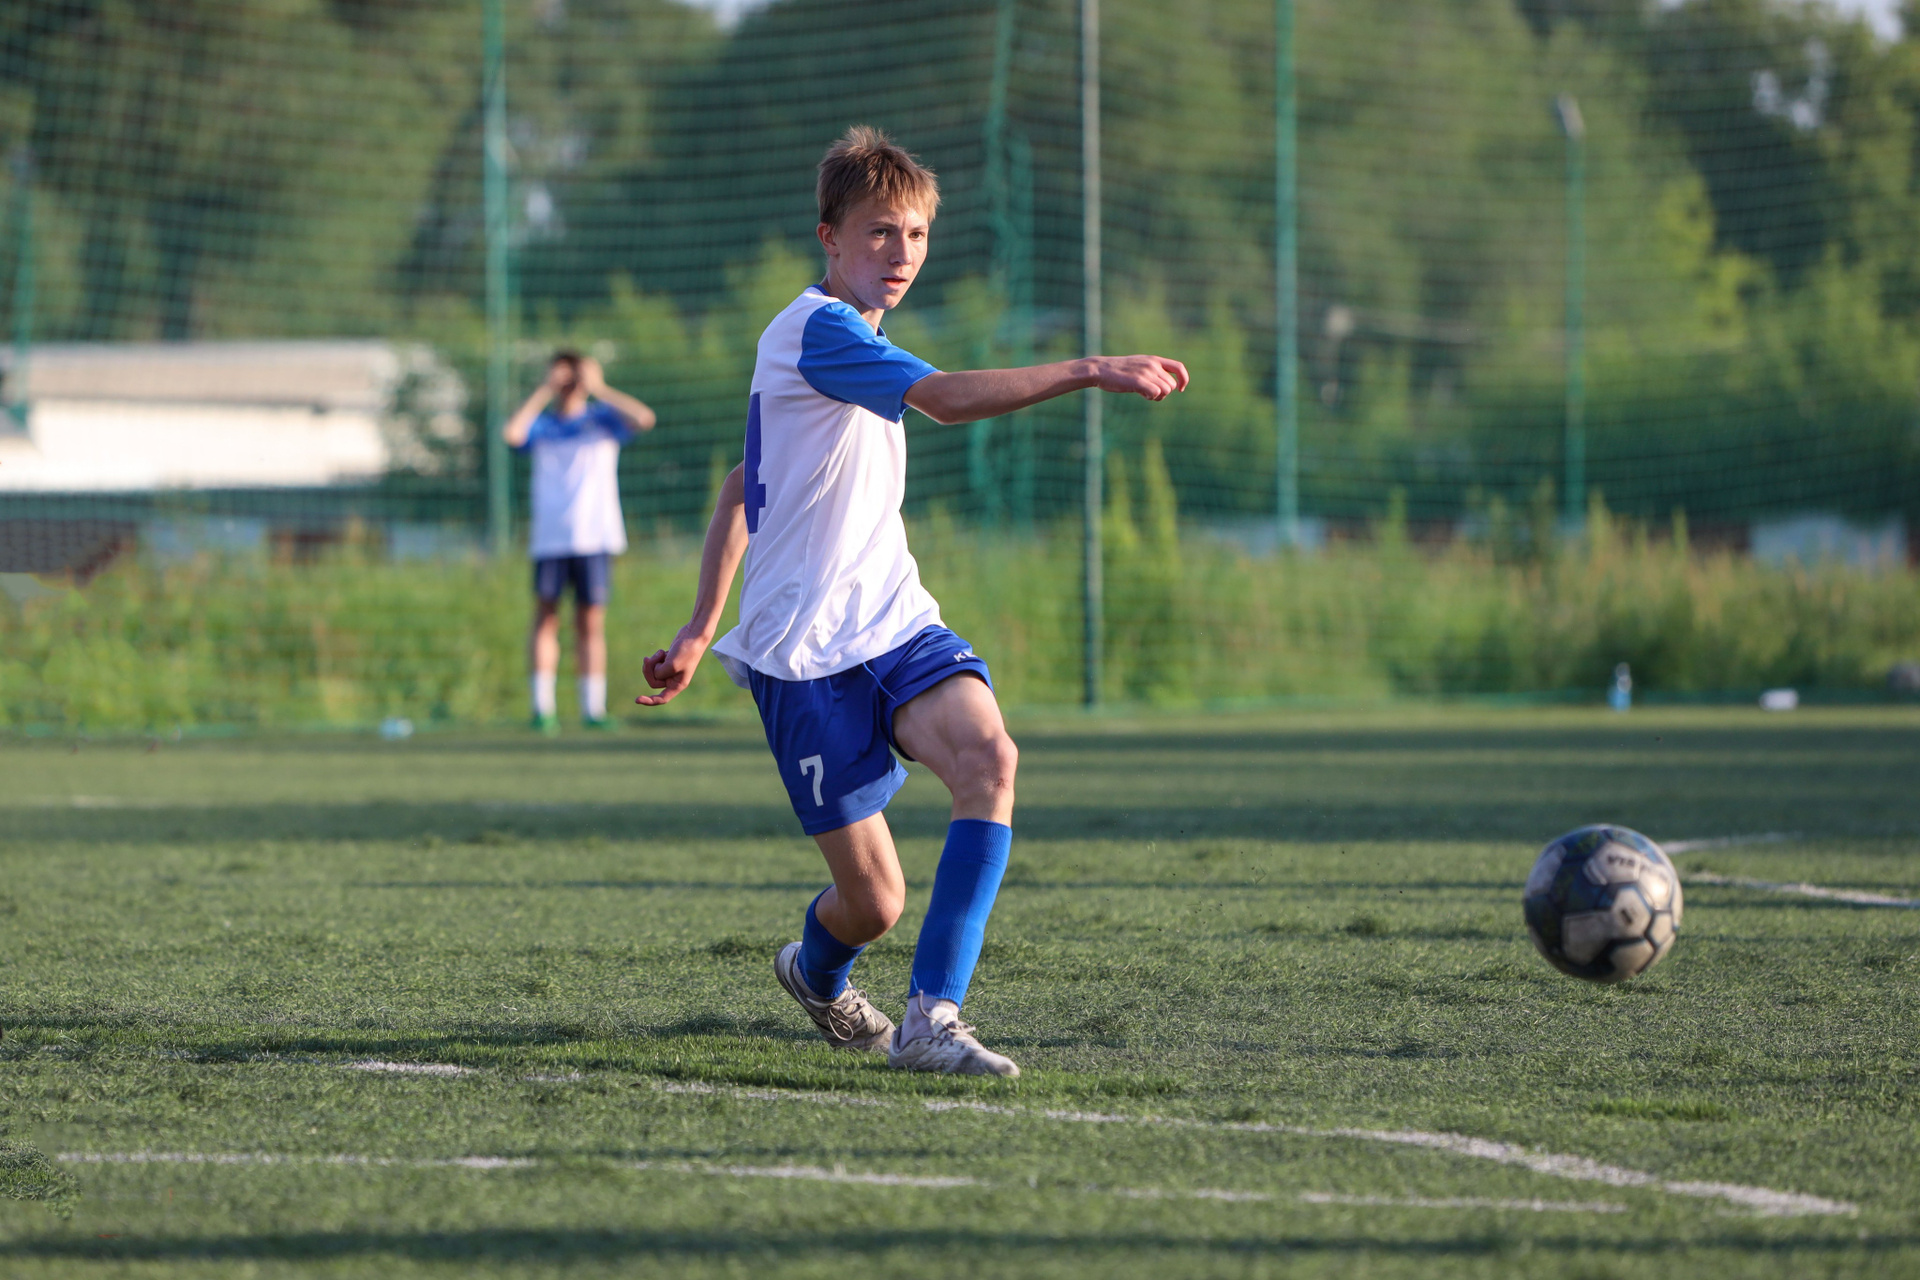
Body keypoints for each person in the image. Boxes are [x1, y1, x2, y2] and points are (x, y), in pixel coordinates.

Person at [637, 126, 1187, 1076]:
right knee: (873, 905)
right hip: (802, 652)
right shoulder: (817, 332)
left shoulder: (855, 342)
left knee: (990, 757)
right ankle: (816, 973)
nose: (902, 254)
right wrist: (1089, 368)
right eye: (880, 232)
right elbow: (944, 400)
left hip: (892, 620)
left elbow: (739, 487)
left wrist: (694, 627)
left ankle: (933, 1017)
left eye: (918, 235)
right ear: (830, 237)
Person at [503, 351, 657, 732]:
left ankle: (593, 710)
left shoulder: (603, 420)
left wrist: (599, 388)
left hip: (595, 537)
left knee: (590, 623)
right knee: (546, 620)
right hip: (550, 539)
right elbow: (512, 434)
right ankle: (542, 710)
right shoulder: (542, 425)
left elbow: (644, 418)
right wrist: (543, 390)